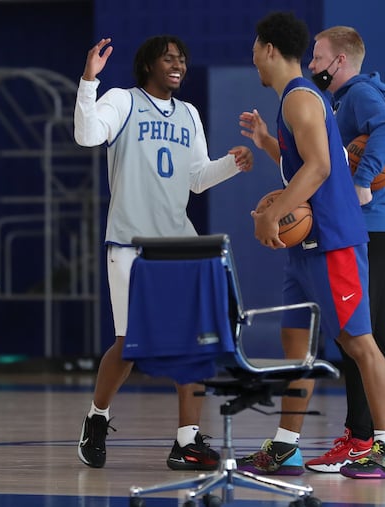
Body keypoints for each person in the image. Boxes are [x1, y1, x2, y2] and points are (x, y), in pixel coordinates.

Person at [236, 11, 385, 479]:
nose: (253, 57)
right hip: (307, 247)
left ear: (269, 49)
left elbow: (320, 169)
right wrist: (269, 143)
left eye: (255, 48)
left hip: (333, 242)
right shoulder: (295, 101)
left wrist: (272, 213)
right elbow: (300, 166)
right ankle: (286, 446)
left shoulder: (301, 98)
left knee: (360, 343)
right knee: (297, 347)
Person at [73, 35, 253, 469]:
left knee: (195, 342)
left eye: (182, 59)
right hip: (130, 243)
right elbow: (86, 135)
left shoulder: (189, 113)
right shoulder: (122, 100)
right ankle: (97, 417)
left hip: (179, 243)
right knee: (129, 345)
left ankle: (187, 441)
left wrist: (232, 164)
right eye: (169, 58)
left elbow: (195, 177)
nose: (178, 64)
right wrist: (88, 81)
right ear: (149, 64)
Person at [302, 26, 385, 473]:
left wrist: (363, 182)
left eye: (317, 57)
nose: (311, 65)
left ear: (339, 61)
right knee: (376, 336)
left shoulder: (360, 95)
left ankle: (363, 439)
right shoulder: (346, 101)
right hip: (373, 231)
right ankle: (371, 439)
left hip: (367, 230)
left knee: (358, 338)